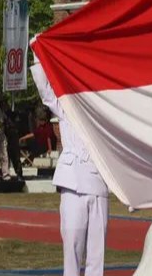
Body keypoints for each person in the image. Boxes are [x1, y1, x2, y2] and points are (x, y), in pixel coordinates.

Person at [30, 46, 109, 276]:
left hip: (98, 182)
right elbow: (46, 92)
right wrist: (38, 55)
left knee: (97, 254)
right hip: (73, 181)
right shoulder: (67, 106)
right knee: (72, 247)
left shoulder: (104, 110)